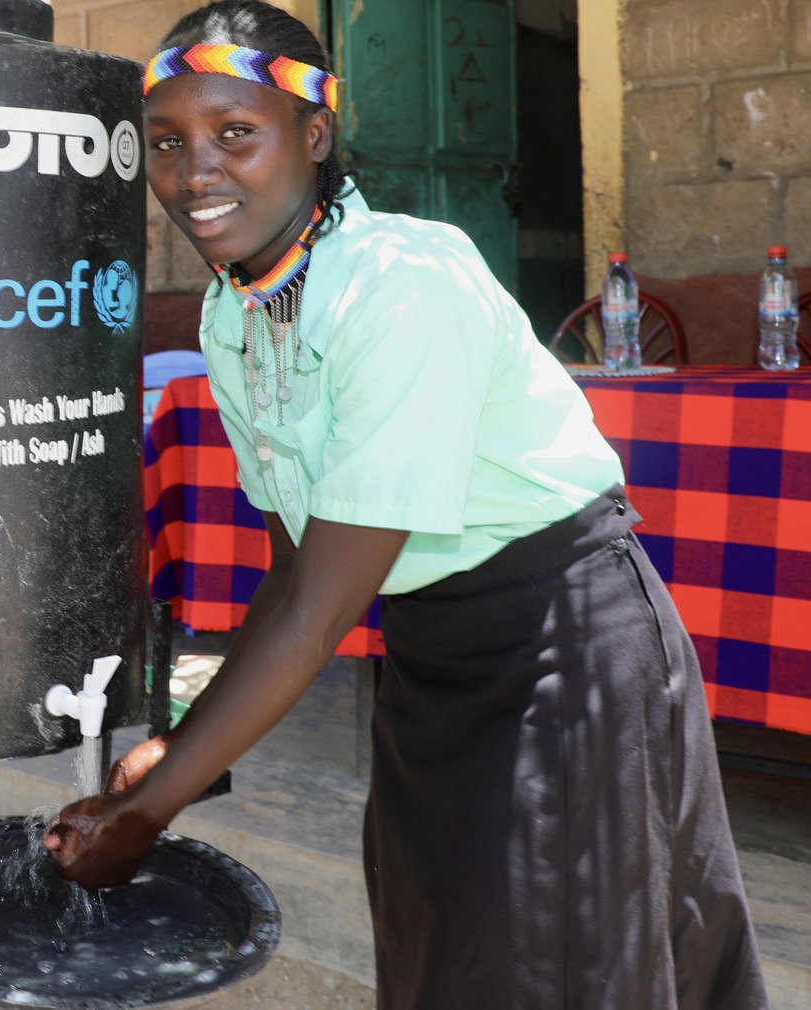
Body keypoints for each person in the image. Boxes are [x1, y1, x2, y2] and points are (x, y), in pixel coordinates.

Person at [45, 3, 769, 1006]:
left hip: (563, 651)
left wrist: (148, 810)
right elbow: (293, 568)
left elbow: (322, 607)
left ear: (315, 133)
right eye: (168, 143)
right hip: (432, 660)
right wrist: (183, 739)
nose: (194, 171)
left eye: (235, 133)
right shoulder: (232, 313)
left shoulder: (404, 285)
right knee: (445, 939)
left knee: (559, 957)